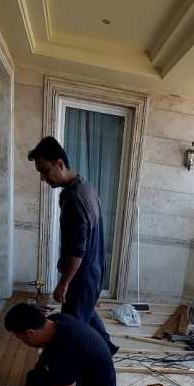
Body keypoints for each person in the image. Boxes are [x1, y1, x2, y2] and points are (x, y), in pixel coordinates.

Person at [28, 135, 118, 354]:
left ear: (59, 164)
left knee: (71, 328)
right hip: (94, 272)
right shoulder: (85, 187)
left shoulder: (74, 200)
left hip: (82, 277)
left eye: (45, 171)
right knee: (85, 311)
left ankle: (90, 361)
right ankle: (107, 347)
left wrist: (63, 283)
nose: (43, 178)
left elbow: (77, 250)